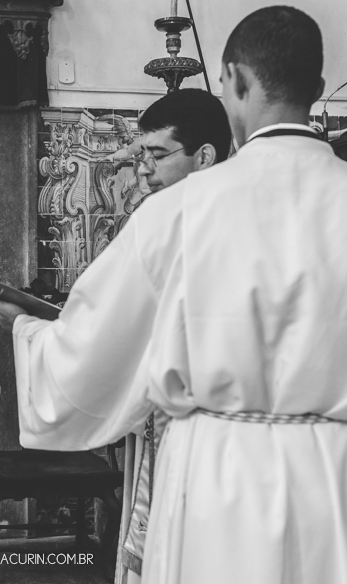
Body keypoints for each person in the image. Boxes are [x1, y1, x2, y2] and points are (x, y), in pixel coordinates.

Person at [0, 5, 347, 584]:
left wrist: (28, 329)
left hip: (214, 474)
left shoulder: (179, 210)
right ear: (314, 88)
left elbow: (89, 350)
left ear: (233, 78)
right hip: (336, 481)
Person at [115, 88, 233, 584]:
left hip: (216, 429)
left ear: (204, 157)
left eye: (159, 155)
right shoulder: (158, 217)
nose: (144, 170)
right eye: (143, 155)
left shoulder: (230, 221)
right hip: (165, 417)